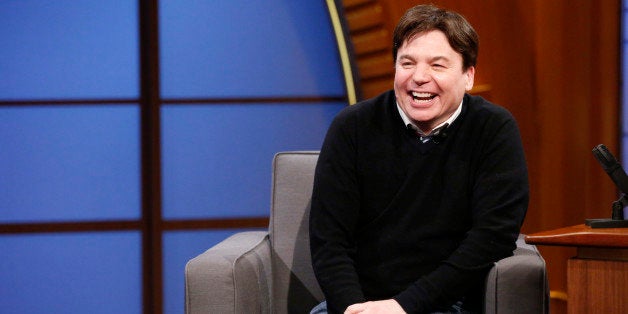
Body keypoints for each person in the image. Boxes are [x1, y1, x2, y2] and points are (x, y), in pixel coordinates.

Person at [309, 4, 528, 314]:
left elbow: (493, 237)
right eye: (407, 63)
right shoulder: (353, 127)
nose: (419, 78)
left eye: (438, 65)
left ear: (468, 76)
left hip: (449, 302)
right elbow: (329, 240)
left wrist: (403, 307)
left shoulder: (492, 129)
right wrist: (354, 308)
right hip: (360, 304)